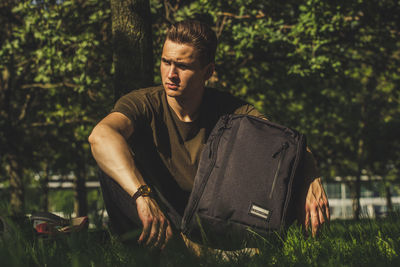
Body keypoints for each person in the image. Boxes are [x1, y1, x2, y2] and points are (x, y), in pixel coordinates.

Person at [88, 20, 329, 251]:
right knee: (111, 164)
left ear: (208, 71)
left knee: (289, 175)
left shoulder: (231, 111)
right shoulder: (143, 103)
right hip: (155, 217)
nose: (170, 74)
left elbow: (284, 146)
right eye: (165, 62)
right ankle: (189, 252)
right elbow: (101, 135)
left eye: (182, 66)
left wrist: (311, 176)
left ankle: (295, 247)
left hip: (209, 220)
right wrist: (142, 196)